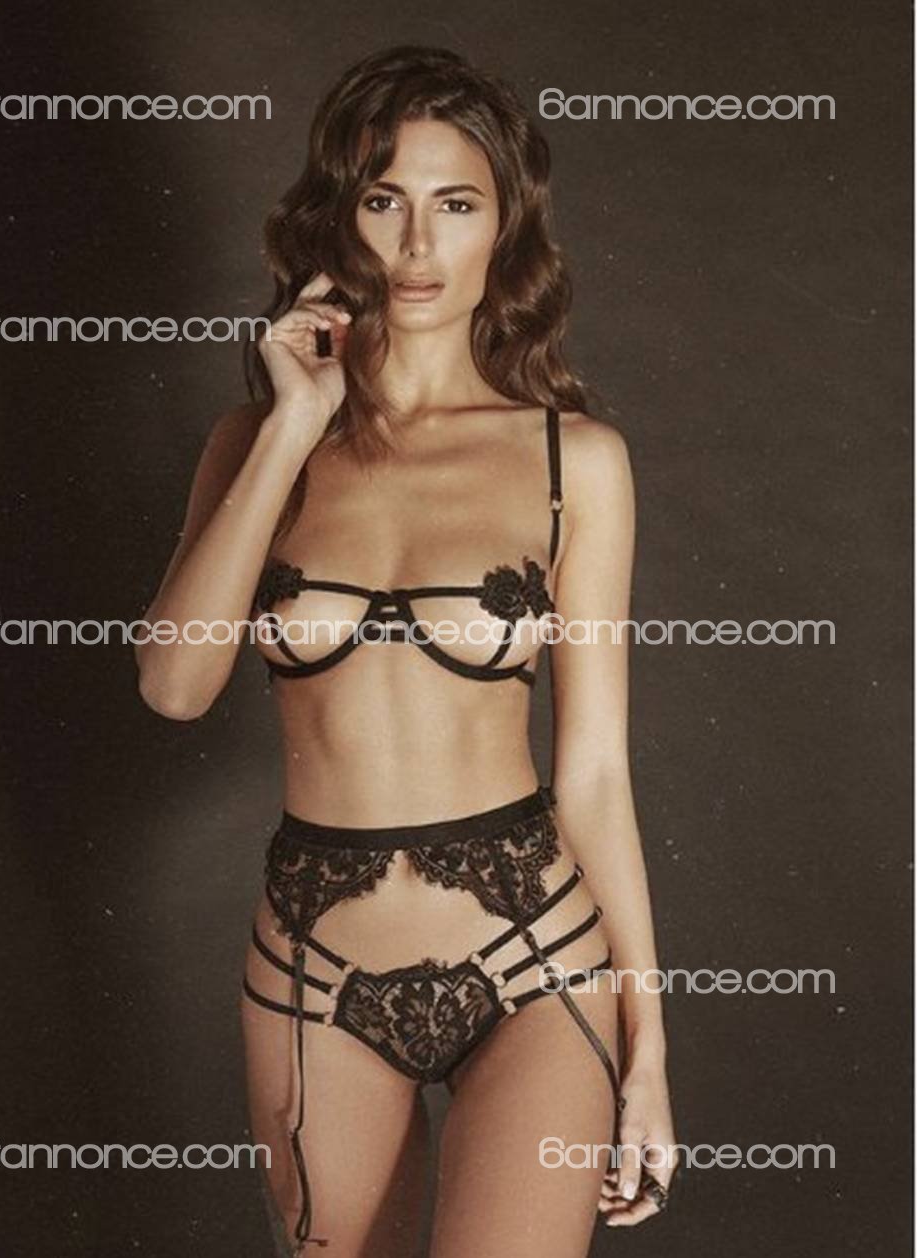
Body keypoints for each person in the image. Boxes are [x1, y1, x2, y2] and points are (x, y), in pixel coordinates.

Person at [135, 44, 677, 1258]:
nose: (418, 245)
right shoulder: (254, 441)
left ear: (506, 226)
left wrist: (649, 1053)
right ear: (340, 216)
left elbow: (595, 771)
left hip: (535, 959)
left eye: (456, 204)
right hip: (312, 972)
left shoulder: (574, 461)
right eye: (385, 200)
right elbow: (173, 683)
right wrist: (294, 425)